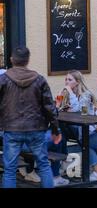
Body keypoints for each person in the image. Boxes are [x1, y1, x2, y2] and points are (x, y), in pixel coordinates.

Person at [0, 46, 61, 188]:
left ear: (11, 60)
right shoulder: (39, 79)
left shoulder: (3, 79)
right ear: (28, 60)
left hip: (12, 128)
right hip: (36, 128)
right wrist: (55, 129)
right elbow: (49, 107)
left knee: (9, 170)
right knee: (44, 165)